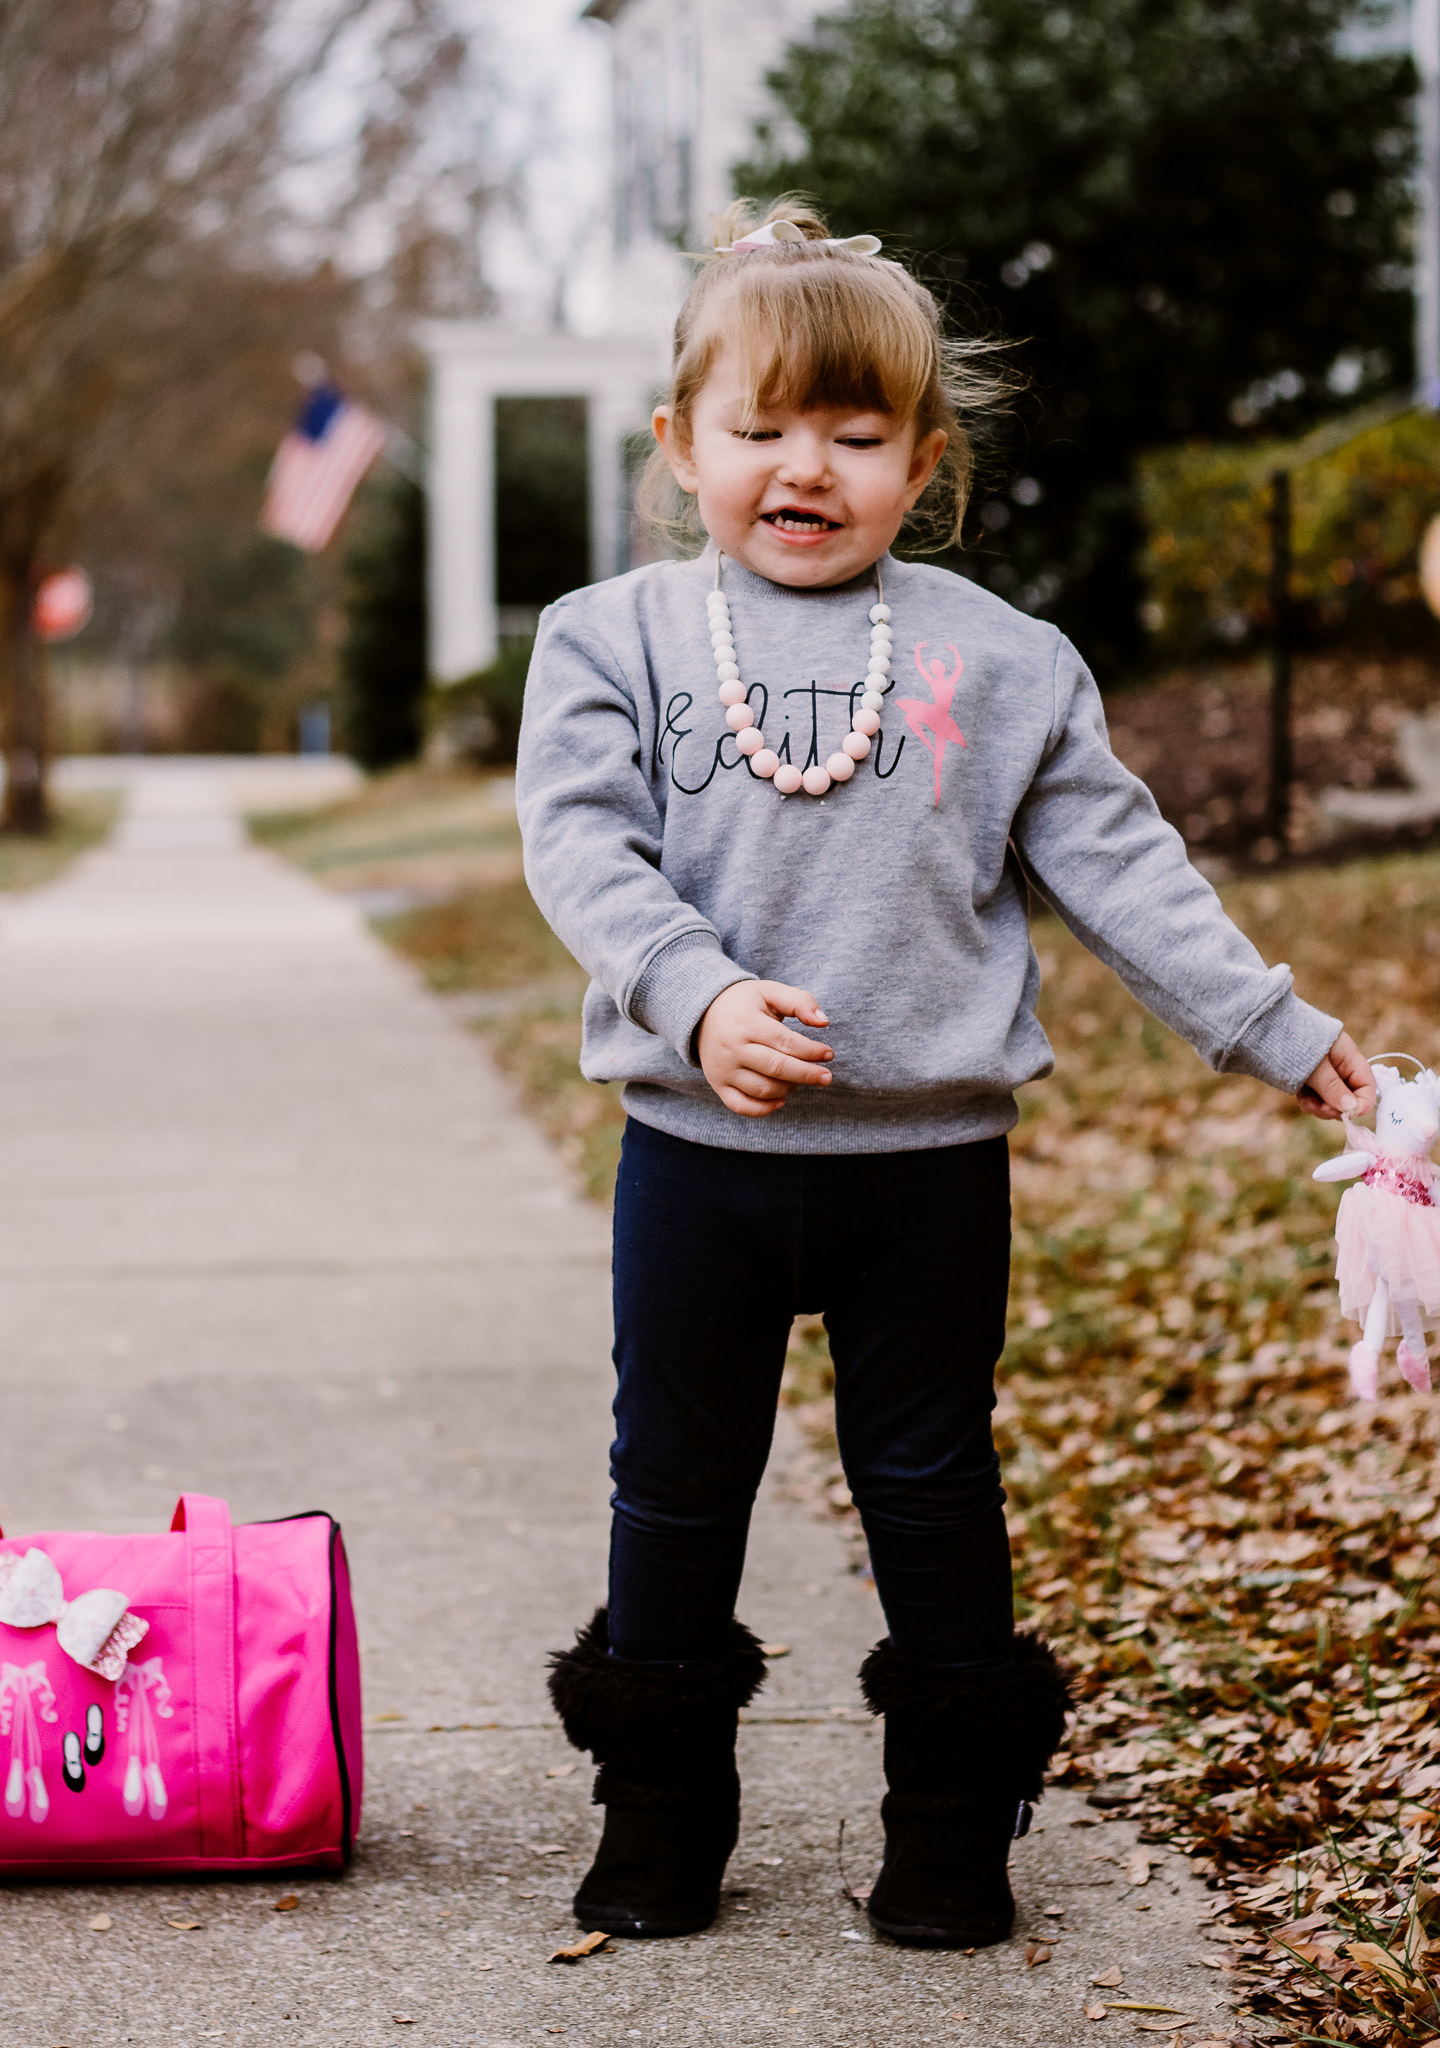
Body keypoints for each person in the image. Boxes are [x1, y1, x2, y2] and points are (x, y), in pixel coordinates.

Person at [515, 198, 1373, 1951]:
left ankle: (953, 1835)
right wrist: (693, 995)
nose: (804, 468)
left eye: (854, 435)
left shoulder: (1005, 660)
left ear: (923, 461)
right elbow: (582, 849)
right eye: (761, 428)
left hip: (927, 1171)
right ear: (681, 444)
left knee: (931, 1485)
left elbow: (1127, 874)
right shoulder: (613, 638)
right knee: (674, 1484)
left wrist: (1278, 1031)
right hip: (701, 1160)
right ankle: (661, 1813)